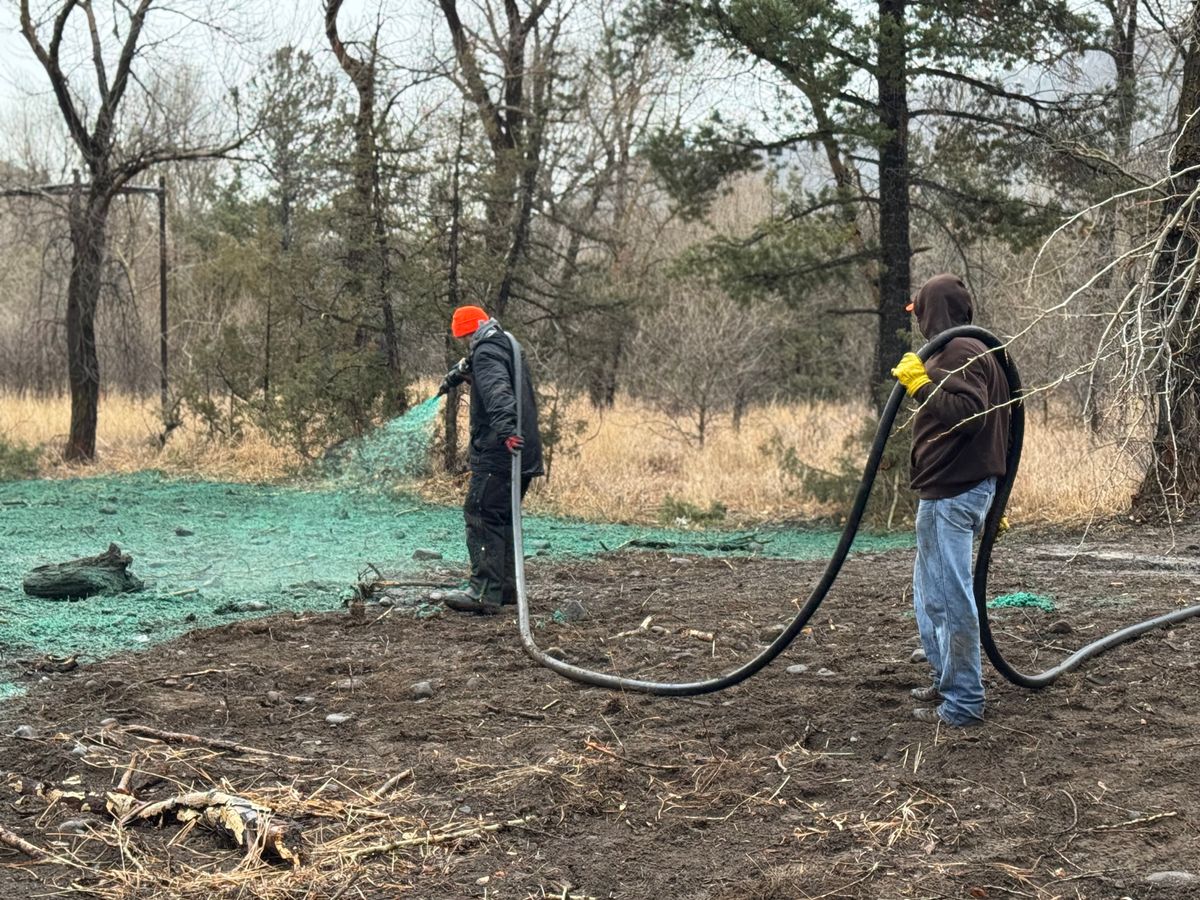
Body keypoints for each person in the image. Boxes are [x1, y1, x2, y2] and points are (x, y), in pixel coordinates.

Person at [891, 274, 1010, 727]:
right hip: (956, 489)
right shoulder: (974, 351)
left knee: (946, 596)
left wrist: (921, 386)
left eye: (919, 311)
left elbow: (971, 416)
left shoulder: (961, 352)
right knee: (931, 593)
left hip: (953, 492)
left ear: (932, 311)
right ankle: (948, 681)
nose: (918, 321)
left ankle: (963, 702)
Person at [437, 305, 543, 615]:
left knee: (480, 511)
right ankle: (505, 589)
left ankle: (482, 590)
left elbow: (498, 390)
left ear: (468, 333)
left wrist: (507, 430)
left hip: (501, 451)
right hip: (522, 453)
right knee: (501, 517)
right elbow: (490, 374)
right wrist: (458, 375)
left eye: (465, 338)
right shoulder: (506, 343)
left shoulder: (486, 352)